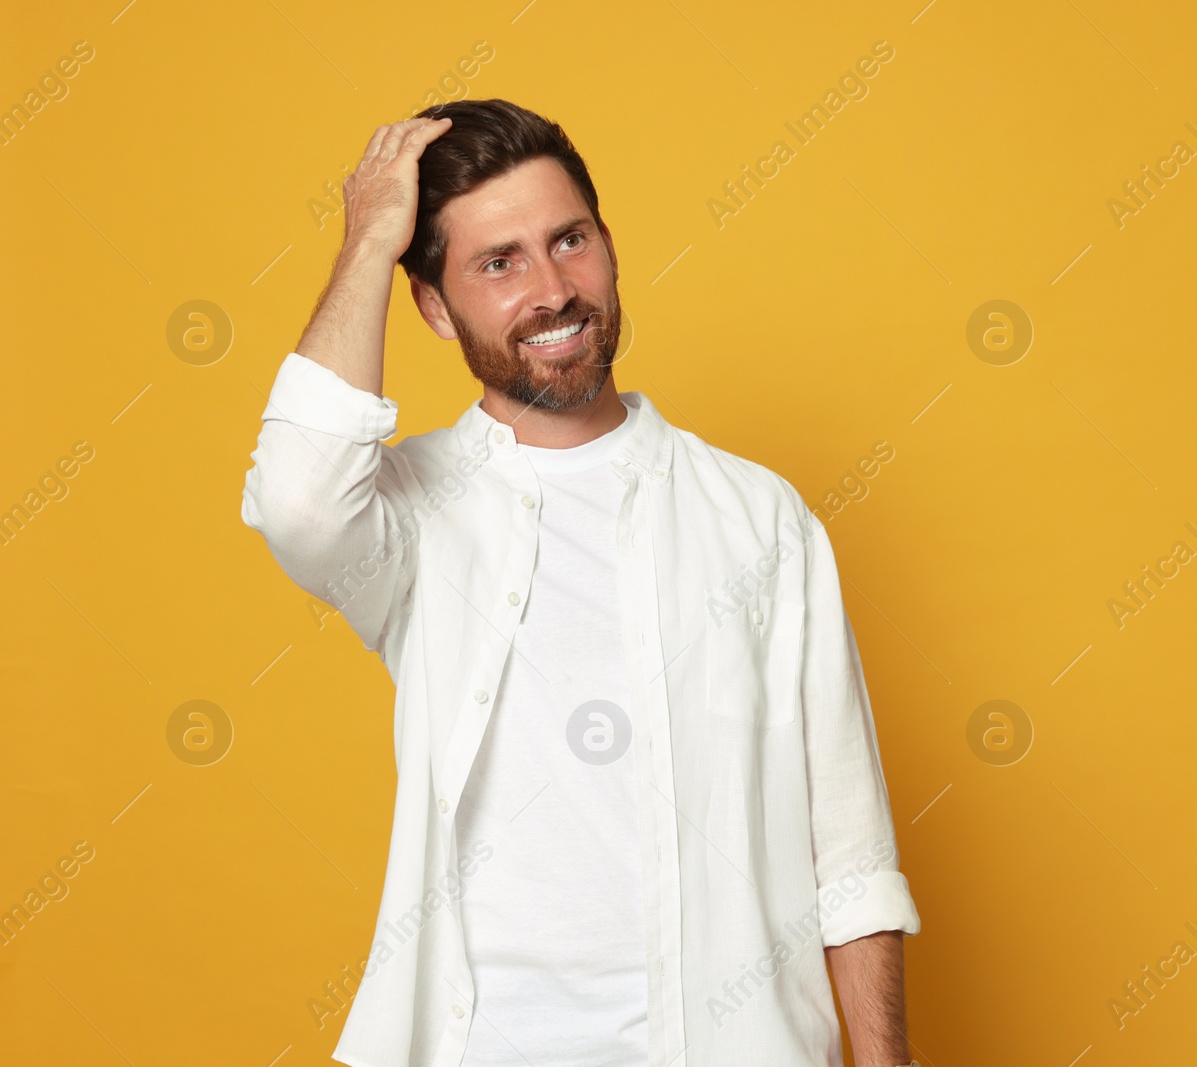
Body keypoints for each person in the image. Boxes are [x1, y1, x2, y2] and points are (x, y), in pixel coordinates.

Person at [241, 98, 922, 1067]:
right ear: (433, 306)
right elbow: (297, 498)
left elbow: (847, 855)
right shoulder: (411, 517)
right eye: (497, 262)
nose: (553, 289)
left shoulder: (759, 517)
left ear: (607, 241)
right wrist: (367, 243)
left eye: (570, 240)